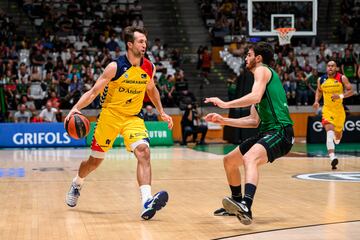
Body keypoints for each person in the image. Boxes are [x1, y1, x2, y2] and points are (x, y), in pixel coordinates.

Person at [64, 26, 173, 221]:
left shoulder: (149, 66)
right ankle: (77, 183)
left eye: (145, 42)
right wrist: (75, 109)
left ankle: (146, 201)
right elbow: (93, 92)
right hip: (110, 117)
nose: (144, 45)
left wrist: (162, 112)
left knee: (144, 152)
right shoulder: (115, 67)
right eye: (140, 41)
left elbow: (151, 89)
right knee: (94, 162)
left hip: (133, 117)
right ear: (130, 44)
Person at [204, 42, 294, 225]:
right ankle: (236, 201)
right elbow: (253, 121)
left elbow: (254, 97)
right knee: (229, 161)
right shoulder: (261, 86)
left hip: (281, 131)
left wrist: (225, 104)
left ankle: (246, 205)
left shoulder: (262, 70)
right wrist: (224, 120)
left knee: (250, 158)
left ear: (258, 58)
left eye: (249, 55)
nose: (246, 58)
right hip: (267, 131)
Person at [313, 60, 353, 170]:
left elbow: (351, 91)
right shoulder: (321, 79)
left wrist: (340, 96)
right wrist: (316, 101)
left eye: (333, 66)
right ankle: (332, 157)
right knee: (329, 132)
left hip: (339, 111)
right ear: (326, 68)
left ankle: (336, 139)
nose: (330, 67)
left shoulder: (342, 78)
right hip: (327, 110)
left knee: (337, 138)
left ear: (336, 68)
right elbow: (319, 91)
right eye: (329, 66)